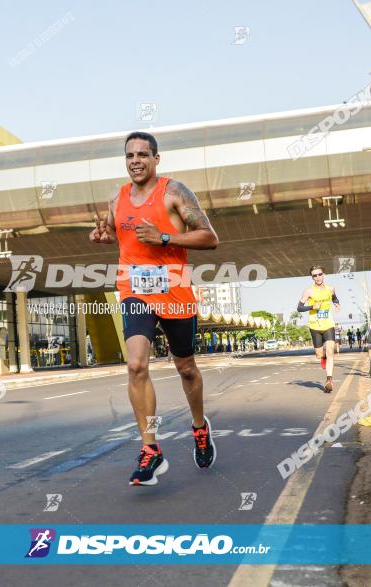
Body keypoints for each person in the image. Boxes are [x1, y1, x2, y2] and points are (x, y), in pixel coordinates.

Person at [90, 131, 219, 486]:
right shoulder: (117, 199)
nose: (135, 160)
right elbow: (124, 237)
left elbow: (209, 237)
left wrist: (165, 237)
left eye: (143, 155)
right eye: (130, 155)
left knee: (186, 368)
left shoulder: (175, 192)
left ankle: (199, 427)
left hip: (175, 291)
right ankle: (151, 449)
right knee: (135, 364)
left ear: (156, 159)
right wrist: (105, 238)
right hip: (135, 290)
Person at [297, 266, 340, 393]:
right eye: (314, 276)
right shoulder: (308, 292)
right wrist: (311, 307)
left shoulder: (331, 289)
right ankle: (323, 357)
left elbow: (334, 298)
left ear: (323, 274)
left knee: (331, 352)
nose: (318, 277)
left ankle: (329, 381)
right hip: (314, 326)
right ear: (312, 277)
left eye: (319, 274)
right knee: (319, 355)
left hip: (328, 324)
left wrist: (337, 303)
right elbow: (299, 308)